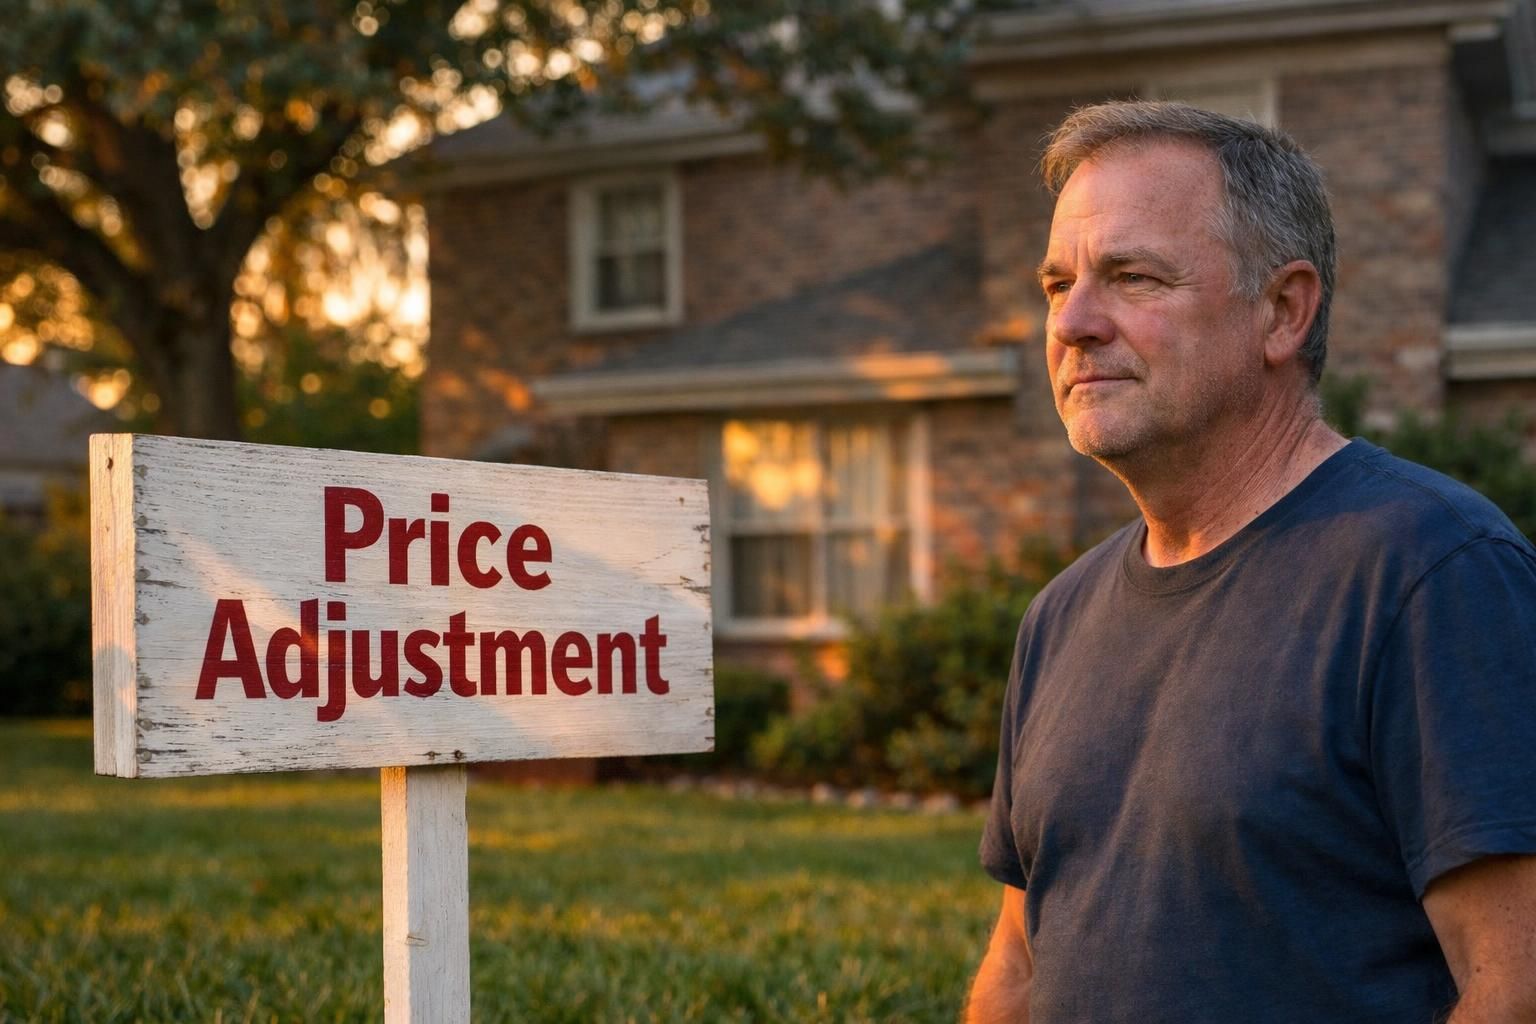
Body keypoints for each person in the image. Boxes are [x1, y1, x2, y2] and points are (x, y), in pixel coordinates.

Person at [966, 101, 1536, 1024]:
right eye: (1057, 284)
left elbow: (1513, 988)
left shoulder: (1433, 573)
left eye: (1132, 277)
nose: (1073, 322)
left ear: (1283, 311)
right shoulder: (1059, 616)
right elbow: (1019, 964)